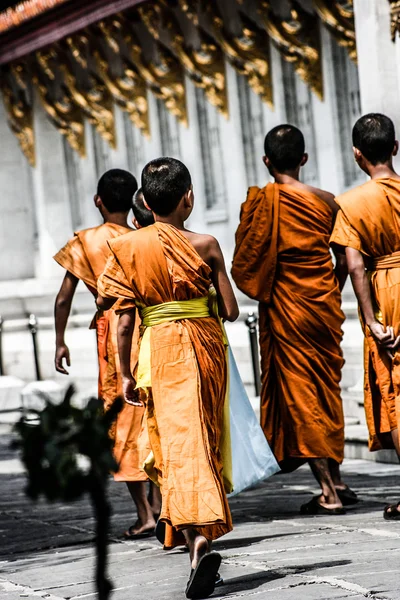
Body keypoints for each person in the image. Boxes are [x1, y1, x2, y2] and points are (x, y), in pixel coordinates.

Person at [97, 157, 239, 599]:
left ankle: (195, 539)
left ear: (144, 202)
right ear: (189, 198)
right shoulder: (207, 244)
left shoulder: (127, 248)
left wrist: (123, 375)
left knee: (176, 444)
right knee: (201, 439)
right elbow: (231, 311)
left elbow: (121, 321)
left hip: (157, 350)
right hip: (204, 348)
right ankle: (199, 540)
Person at [232, 124, 356, 515]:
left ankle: (329, 493)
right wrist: (329, 290)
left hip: (287, 308)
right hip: (320, 307)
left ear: (267, 161)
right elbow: (344, 261)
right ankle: (337, 480)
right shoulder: (327, 201)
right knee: (324, 392)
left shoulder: (261, 203)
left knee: (303, 399)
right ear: (304, 159)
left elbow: (246, 264)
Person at [53, 168, 160, 538]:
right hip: (144, 326)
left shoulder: (85, 241)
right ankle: (161, 505)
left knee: (122, 417)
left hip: (111, 336)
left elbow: (64, 297)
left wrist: (60, 340)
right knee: (150, 410)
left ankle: (145, 512)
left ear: (98, 201)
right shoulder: (140, 236)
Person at [330, 113, 400, 520]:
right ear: (394, 147)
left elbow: (355, 266)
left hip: (387, 291)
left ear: (357, 155)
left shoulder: (351, 203)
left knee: (397, 388)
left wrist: (372, 321)